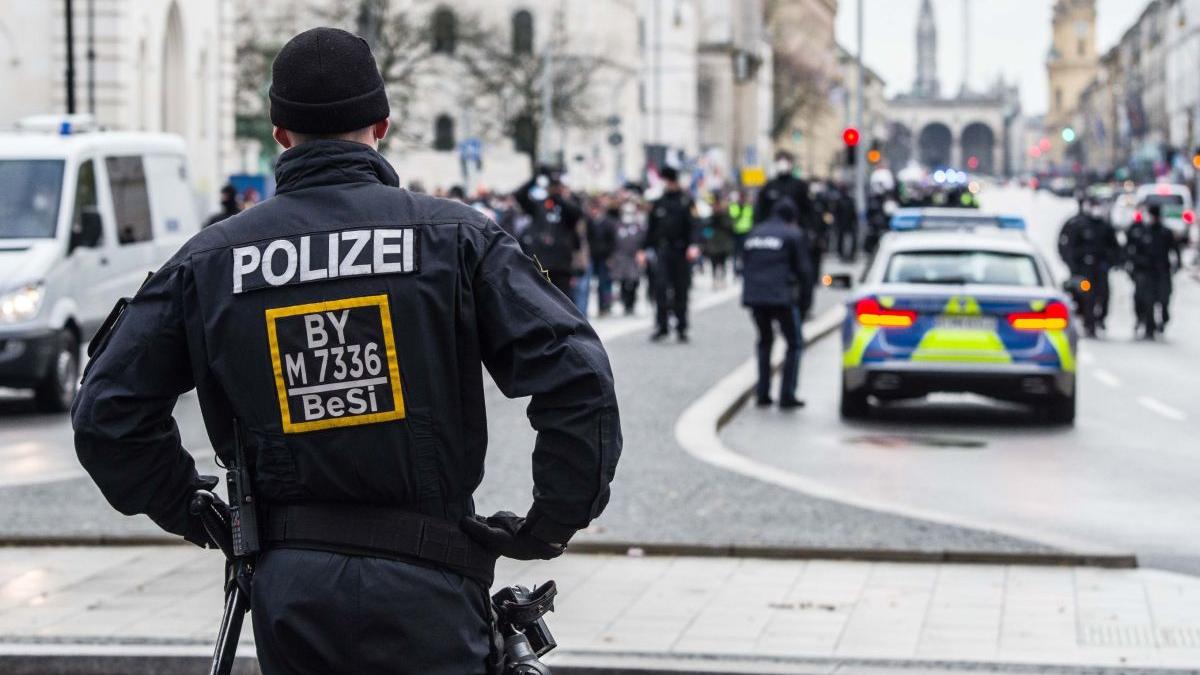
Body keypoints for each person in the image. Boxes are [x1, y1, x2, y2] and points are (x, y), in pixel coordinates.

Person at [72, 28, 621, 675]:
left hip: (293, 596)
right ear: (382, 124)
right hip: (433, 585)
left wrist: (197, 511)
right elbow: (577, 377)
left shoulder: (213, 260)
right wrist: (550, 522)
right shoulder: (455, 238)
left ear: (280, 133)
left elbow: (107, 413)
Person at [741, 197, 813, 409]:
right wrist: (804, 303)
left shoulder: (755, 233)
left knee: (764, 341)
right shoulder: (792, 234)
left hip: (755, 297)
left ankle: (762, 393)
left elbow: (744, 263)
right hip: (781, 297)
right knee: (794, 343)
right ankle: (786, 394)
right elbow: (805, 271)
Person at [639, 166, 700, 342]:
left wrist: (694, 245)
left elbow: (694, 225)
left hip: (681, 252)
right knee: (660, 289)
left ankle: (681, 327)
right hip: (663, 252)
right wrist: (643, 249)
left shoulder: (686, 201)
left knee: (681, 290)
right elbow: (651, 229)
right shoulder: (659, 202)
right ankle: (662, 326)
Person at [514, 169, 584, 297]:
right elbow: (519, 195)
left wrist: (556, 196)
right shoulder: (539, 207)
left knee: (563, 301)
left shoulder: (567, 208)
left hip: (562, 265)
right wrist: (535, 178)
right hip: (541, 263)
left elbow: (577, 213)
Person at [1062, 197, 1120, 336]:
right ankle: (1089, 323)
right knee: (1087, 296)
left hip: (1101, 270)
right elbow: (1069, 248)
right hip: (1085, 271)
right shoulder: (1078, 225)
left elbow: (1115, 248)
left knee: (1104, 295)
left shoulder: (1105, 227)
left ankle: (1100, 319)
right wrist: (1074, 266)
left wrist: (1111, 262)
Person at [1126, 204, 1182, 340]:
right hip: (1145, 272)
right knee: (1146, 300)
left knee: (1164, 298)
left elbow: (1175, 250)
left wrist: (1177, 265)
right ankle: (1148, 328)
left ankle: (1163, 320)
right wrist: (1133, 266)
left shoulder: (1165, 232)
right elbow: (1131, 251)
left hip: (1162, 271)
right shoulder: (1141, 231)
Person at [611, 199, 645, 315]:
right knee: (623, 282)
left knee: (634, 281)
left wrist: (641, 252)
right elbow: (613, 242)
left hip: (633, 257)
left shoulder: (638, 226)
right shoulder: (617, 225)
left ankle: (632, 302)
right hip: (621, 257)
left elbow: (642, 240)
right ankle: (626, 303)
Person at [589, 198, 620, 315]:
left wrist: (611, 257)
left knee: (605, 283)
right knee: (594, 283)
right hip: (593, 256)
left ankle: (605, 305)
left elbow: (613, 242)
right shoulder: (590, 222)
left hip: (605, 257)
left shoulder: (608, 223)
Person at [706, 193, 736, 289]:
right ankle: (715, 280)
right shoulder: (711, 217)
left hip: (723, 243)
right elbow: (706, 231)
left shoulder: (726, 215)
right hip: (713, 244)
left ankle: (722, 280)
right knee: (714, 264)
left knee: (722, 263)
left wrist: (722, 215)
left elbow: (730, 227)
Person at [728, 191, 754, 275]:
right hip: (736, 233)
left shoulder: (748, 207)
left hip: (746, 232)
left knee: (744, 253)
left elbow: (751, 219)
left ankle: (744, 268)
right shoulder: (734, 206)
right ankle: (735, 270)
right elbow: (732, 217)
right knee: (735, 253)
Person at [833, 183, 858, 261]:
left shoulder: (849, 200)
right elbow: (836, 213)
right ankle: (842, 254)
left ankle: (850, 254)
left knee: (850, 239)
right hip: (843, 223)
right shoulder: (839, 201)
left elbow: (854, 213)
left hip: (848, 223)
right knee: (841, 239)